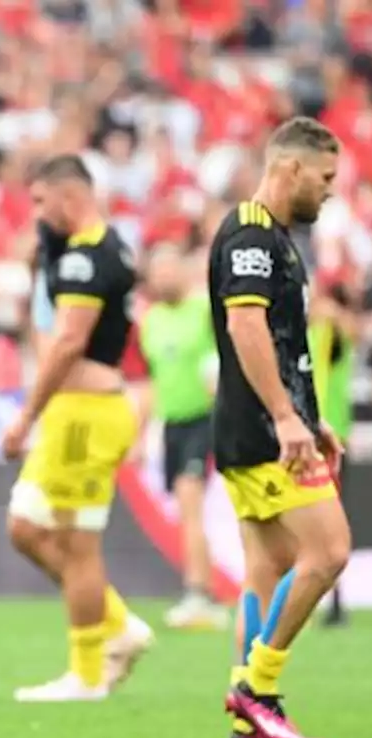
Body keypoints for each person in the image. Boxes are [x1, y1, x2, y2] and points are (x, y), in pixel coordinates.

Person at [208, 117, 350, 738]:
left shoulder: (275, 239)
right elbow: (246, 329)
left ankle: (248, 712)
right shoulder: (252, 235)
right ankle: (258, 691)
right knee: (329, 552)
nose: (329, 191)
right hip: (264, 432)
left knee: (268, 566)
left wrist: (310, 415)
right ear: (290, 169)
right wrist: (287, 418)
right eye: (324, 178)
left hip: (263, 425)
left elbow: (284, 345)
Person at [2, 156, 151, 703]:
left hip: (85, 415)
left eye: (42, 202)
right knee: (26, 527)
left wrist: (26, 413)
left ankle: (87, 673)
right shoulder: (102, 249)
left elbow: (67, 343)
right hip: (81, 412)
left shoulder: (87, 259)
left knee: (77, 545)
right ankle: (117, 624)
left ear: (68, 198)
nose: (38, 215)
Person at [140, 241, 227, 631]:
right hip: (171, 423)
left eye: (170, 269)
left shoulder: (205, 312)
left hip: (203, 419)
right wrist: (141, 435)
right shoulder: (151, 319)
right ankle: (197, 589)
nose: (164, 277)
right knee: (183, 508)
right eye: (158, 271)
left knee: (190, 500)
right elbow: (151, 380)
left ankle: (200, 593)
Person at [308, 281, 360, 627]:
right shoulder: (308, 336)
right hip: (305, 437)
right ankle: (325, 599)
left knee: (326, 524)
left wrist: (335, 313)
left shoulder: (332, 336)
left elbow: (351, 331)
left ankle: (334, 600)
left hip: (331, 440)